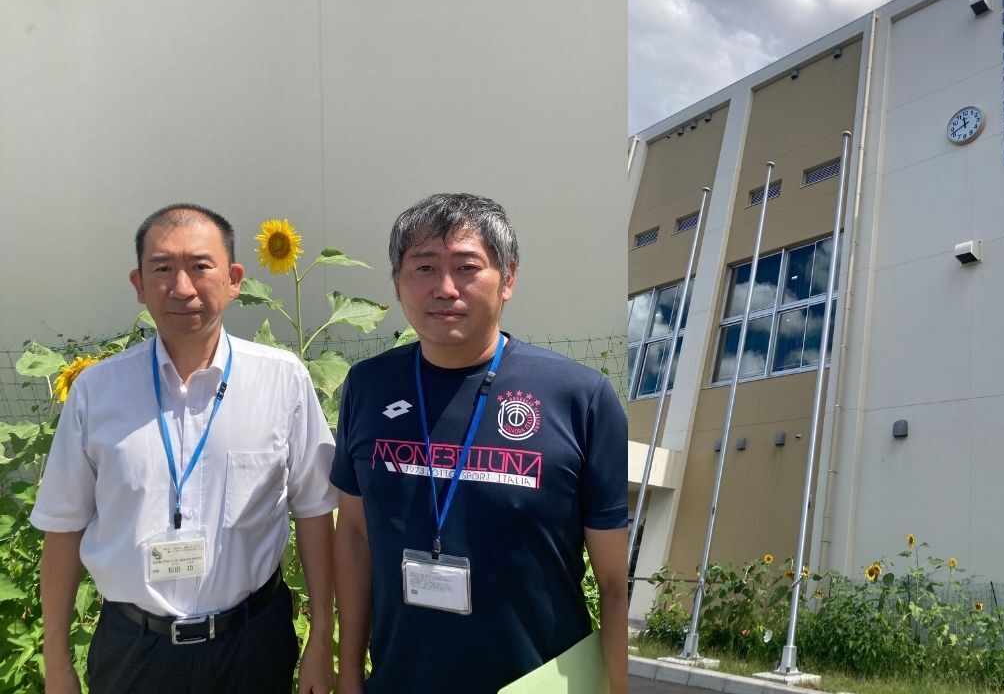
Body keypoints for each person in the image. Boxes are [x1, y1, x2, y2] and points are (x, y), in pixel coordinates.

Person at [31, 204, 336, 694]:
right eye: (162, 269)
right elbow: (63, 529)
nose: (182, 287)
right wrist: (57, 663)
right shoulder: (97, 391)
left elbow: (316, 514)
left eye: (200, 266)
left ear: (234, 279)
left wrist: (321, 639)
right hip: (134, 649)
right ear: (138, 284)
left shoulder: (283, 381)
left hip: (252, 644)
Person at [332, 193, 628, 693]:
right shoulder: (369, 386)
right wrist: (348, 674)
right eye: (424, 267)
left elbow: (617, 584)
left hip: (539, 684)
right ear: (398, 283)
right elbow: (355, 535)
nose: (445, 288)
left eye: (466, 268)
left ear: (507, 278)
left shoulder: (580, 397)